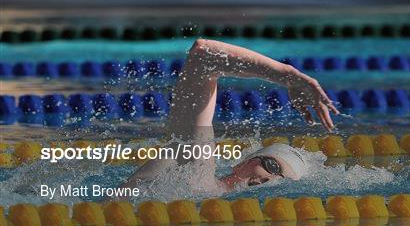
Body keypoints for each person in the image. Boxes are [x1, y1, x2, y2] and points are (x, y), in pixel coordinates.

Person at [121, 39, 338, 192]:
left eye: (282, 181)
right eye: (272, 167)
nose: (270, 179)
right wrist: (288, 76)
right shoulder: (195, 168)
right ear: (243, 162)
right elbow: (203, 55)